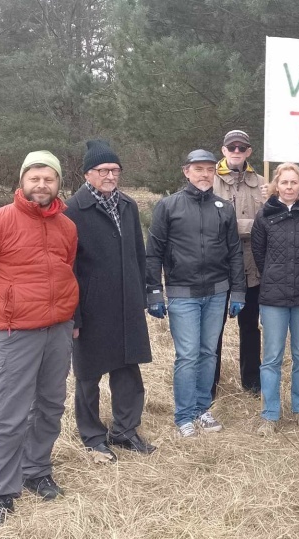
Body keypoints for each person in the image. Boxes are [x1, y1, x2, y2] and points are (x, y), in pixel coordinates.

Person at [0, 151, 78, 531]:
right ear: (22, 181)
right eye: (35, 178)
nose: (42, 185)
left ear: (58, 184)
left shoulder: (66, 227)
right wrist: (1, 310)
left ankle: (36, 470)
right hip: (15, 335)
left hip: (57, 330)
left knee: (51, 405)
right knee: (9, 415)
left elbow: (66, 268)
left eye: (49, 179)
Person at [64, 140, 154, 463]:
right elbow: (67, 267)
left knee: (127, 370)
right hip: (91, 306)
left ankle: (125, 430)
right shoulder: (72, 210)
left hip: (126, 303)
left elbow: (138, 256)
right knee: (88, 375)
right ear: (88, 173)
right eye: (104, 170)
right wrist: (73, 315)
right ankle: (92, 436)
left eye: (115, 170)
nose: (111, 176)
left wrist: (141, 295)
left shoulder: (128, 206)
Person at [146, 149, 246, 438]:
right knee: (188, 355)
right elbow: (153, 253)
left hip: (217, 292)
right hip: (182, 293)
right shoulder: (168, 206)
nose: (204, 174)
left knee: (208, 353)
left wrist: (238, 291)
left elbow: (235, 253)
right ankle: (184, 415)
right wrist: (154, 292)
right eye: (198, 169)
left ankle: (203, 409)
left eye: (209, 169)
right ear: (186, 171)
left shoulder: (223, 207)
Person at [250, 163, 299, 435]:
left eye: (294, 182)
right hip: (273, 297)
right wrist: (275, 274)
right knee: (271, 357)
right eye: (284, 183)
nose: (289, 187)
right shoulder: (265, 216)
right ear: (276, 186)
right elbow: (259, 255)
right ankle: (270, 414)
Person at [213, 129, 266, 397]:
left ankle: (252, 381)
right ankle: (211, 383)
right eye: (231, 147)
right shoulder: (210, 181)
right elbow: (213, 226)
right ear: (223, 150)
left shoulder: (264, 183)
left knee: (250, 327)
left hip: (253, 268)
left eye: (241, 148)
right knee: (215, 329)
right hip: (220, 269)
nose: (236, 151)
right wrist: (252, 225)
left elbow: (272, 224)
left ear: (248, 152)